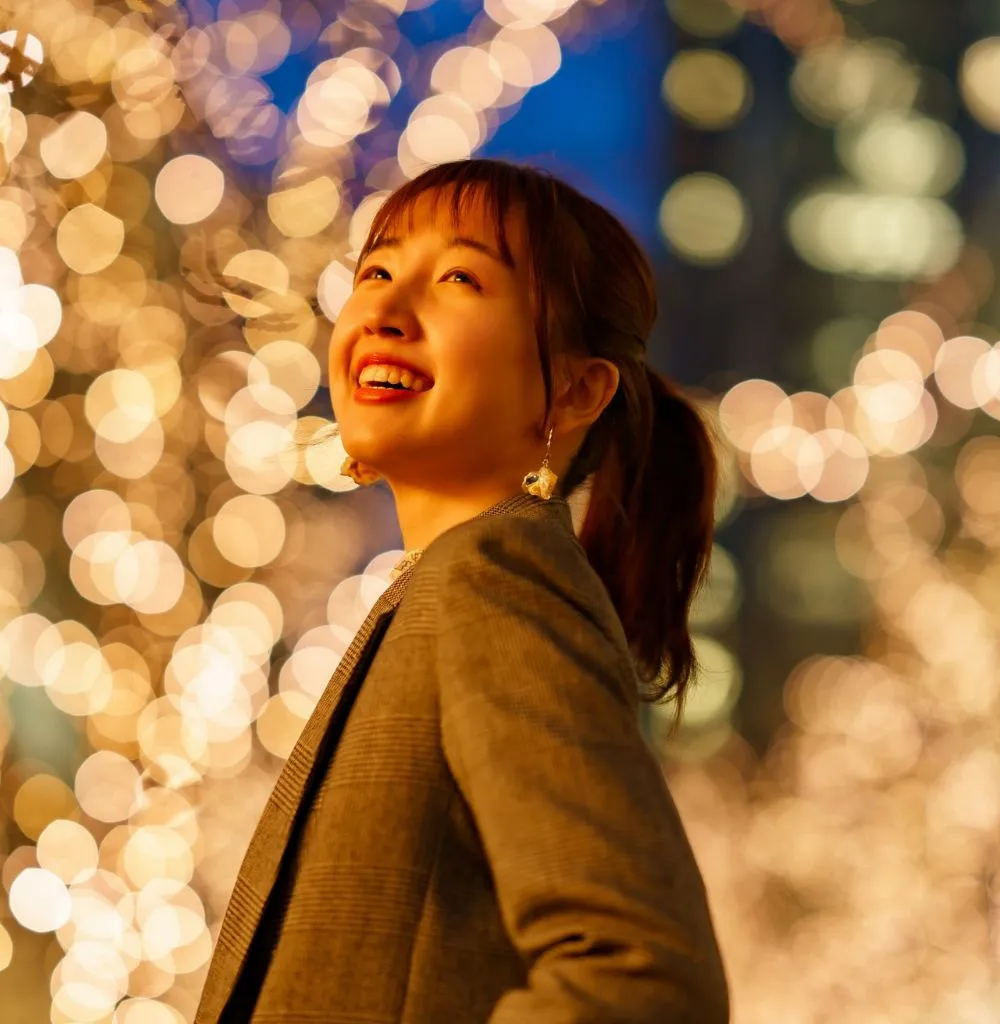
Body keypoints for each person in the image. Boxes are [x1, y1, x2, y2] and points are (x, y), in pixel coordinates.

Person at [195, 158, 730, 1023]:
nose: (384, 310)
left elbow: (641, 972)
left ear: (578, 387)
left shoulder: (498, 578)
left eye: (459, 278)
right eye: (376, 270)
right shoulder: (438, 586)